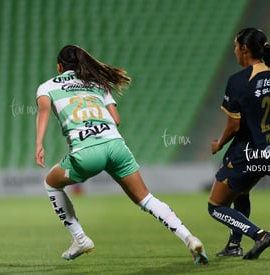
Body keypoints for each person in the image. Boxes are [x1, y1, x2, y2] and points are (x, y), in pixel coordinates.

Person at [35, 45, 209, 264]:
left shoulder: (47, 86)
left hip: (86, 151)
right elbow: (116, 120)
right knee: (146, 198)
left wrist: (39, 144)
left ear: (59, 67)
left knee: (52, 183)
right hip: (116, 146)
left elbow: (43, 113)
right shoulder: (97, 83)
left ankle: (80, 238)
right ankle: (190, 239)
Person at [208, 28, 270, 260]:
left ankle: (260, 234)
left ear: (244, 48)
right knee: (241, 193)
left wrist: (219, 144)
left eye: (235, 46)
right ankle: (233, 245)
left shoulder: (239, 81)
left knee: (215, 207)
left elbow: (233, 126)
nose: (234, 51)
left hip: (248, 153)